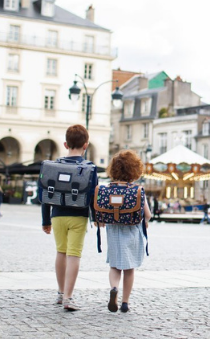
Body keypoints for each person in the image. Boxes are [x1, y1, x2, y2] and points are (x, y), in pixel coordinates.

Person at [40, 124, 97, 312]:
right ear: (86, 145)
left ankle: (60, 292)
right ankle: (69, 297)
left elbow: (46, 195)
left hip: (57, 215)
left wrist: (45, 220)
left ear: (65, 144)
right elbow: (93, 196)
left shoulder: (53, 167)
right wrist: (96, 217)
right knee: (74, 255)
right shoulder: (89, 168)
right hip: (78, 216)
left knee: (61, 252)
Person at [101, 150, 152, 314]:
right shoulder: (137, 191)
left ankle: (114, 288)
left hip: (114, 231)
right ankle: (125, 302)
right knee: (129, 268)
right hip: (132, 230)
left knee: (115, 266)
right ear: (134, 170)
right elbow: (148, 215)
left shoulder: (107, 189)